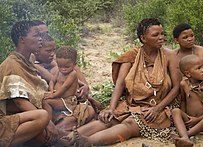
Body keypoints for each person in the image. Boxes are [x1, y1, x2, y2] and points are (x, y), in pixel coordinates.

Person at [59, 18, 180, 146]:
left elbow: (176, 87)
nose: (161, 37)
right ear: (143, 38)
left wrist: (157, 108)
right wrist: (111, 108)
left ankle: (88, 142)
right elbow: (120, 84)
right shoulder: (131, 55)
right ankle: (69, 138)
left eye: (162, 34)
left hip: (158, 108)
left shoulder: (170, 56)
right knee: (108, 120)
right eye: (156, 35)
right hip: (131, 104)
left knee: (130, 124)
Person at [0, 20, 58, 146]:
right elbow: (20, 102)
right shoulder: (11, 64)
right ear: (22, 39)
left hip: (28, 115)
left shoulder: (27, 61)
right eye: (36, 35)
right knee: (43, 120)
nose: (40, 39)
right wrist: (48, 122)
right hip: (10, 118)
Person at [31, 20, 90, 99]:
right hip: (57, 94)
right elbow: (58, 78)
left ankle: (86, 96)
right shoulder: (33, 58)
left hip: (70, 90)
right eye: (42, 34)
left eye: (47, 33)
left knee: (70, 64)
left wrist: (85, 86)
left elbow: (68, 70)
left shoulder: (52, 55)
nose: (46, 36)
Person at [171, 54, 203, 147]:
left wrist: (197, 119)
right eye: (199, 68)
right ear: (188, 74)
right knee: (175, 111)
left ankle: (186, 136)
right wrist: (185, 118)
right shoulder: (183, 84)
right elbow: (183, 101)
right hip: (190, 121)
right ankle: (185, 136)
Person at [42, 46, 96, 127]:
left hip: (68, 101)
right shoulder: (59, 72)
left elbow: (65, 87)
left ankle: (49, 125)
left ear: (74, 64)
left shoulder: (72, 74)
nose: (63, 69)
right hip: (58, 96)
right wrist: (51, 90)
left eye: (67, 67)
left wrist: (53, 95)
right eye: (60, 66)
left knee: (46, 101)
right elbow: (52, 81)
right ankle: (50, 120)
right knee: (45, 99)